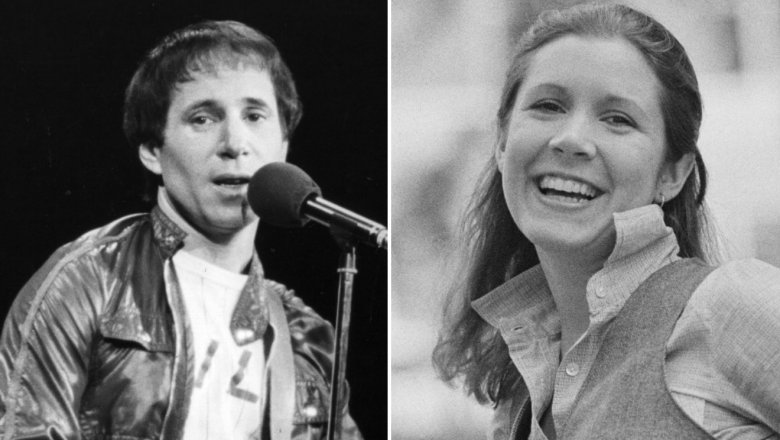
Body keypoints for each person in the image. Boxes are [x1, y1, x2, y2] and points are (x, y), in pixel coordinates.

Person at [0, 20, 361, 440]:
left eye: (255, 115)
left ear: (283, 146)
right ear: (153, 150)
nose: (235, 142)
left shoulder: (305, 337)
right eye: (204, 118)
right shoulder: (85, 284)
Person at [433, 3, 780, 439]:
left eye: (618, 119)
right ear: (502, 142)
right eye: (548, 105)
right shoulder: (520, 394)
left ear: (673, 173)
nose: (572, 139)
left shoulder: (724, 309)